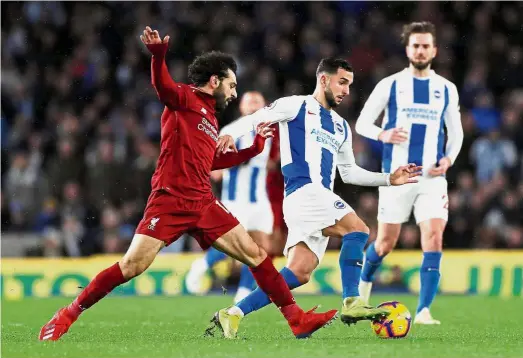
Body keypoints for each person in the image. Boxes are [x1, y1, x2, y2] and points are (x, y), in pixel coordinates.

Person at [39, 27, 338, 341]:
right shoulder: (184, 99)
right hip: (169, 200)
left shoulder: (210, 118)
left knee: (257, 254)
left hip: (203, 202)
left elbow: (210, 162)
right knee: (132, 265)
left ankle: (296, 320)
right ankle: (68, 313)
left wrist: (253, 149)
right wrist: (158, 57)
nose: (234, 93)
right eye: (232, 85)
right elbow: (162, 87)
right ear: (214, 81)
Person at [207, 57, 421, 339]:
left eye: (350, 85)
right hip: (304, 192)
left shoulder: (341, 126)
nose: (346, 90)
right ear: (323, 79)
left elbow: (349, 173)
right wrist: (230, 135)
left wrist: (388, 179)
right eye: (342, 82)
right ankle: (352, 301)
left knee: (299, 272)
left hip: (316, 198)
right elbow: (255, 118)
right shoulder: (295, 105)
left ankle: (233, 313)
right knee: (358, 230)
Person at [355, 21, 464, 325]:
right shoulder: (390, 84)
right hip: (397, 177)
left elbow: (455, 133)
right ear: (407, 49)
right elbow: (363, 123)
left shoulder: (446, 88)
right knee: (385, 243)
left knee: (433, 236)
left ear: (434, 50)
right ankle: (363, 290)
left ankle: (424, 311)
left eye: (426, 45)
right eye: (415, 45)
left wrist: (449, 159)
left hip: (432, 178)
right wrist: (383, 135)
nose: (420, 50)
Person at [185, 91, 279, 303]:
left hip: (259, 200)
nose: (254, 106)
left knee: (262, 249)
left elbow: (267, 163)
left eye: (258, 102)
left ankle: (243, 295)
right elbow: (214, 169)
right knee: (236, 247)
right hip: (236, 200)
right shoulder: (231, 131)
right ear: (242, 108)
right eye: (250, 102)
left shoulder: (268, 132)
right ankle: (202, 265)